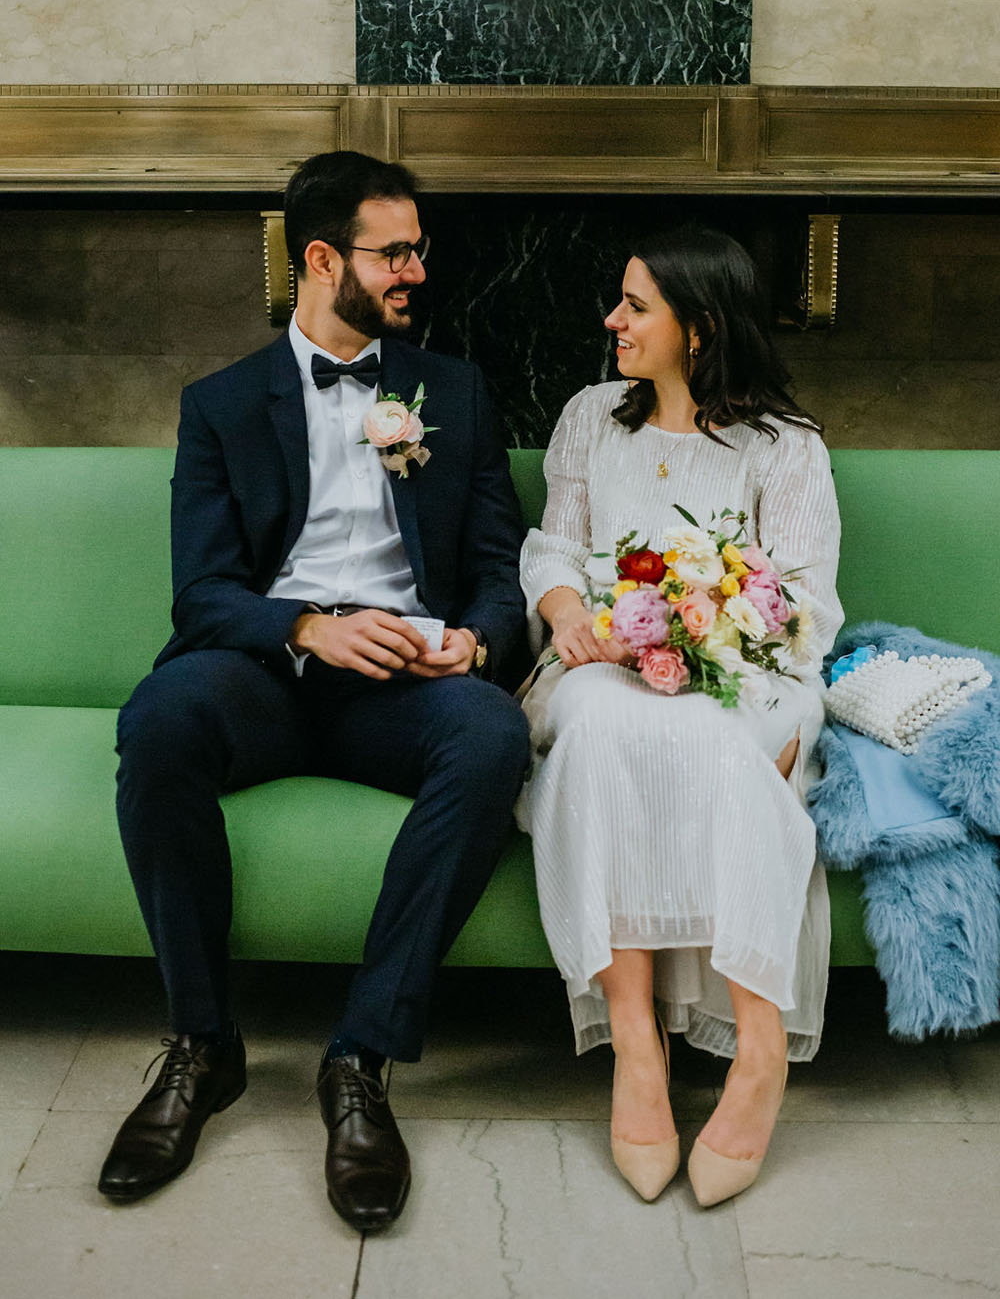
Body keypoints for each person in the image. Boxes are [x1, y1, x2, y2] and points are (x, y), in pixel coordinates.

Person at [99, 151, 530, 1232]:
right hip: (266, 675)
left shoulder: (454, 393)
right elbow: (201, 594)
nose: (416, 272)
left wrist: (474, 646)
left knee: (487, 740)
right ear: (323, 258)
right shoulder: (221, 405)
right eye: (396, 253)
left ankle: (361, 1059)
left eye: (419, 250)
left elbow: (498, 567)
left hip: (406, 686)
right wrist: (307, 628)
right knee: (157, 721)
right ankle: (203, 1044)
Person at [517, 226, 842, 1207]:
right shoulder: (587, 418)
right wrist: (573, 614)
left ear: (697, 329)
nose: (612, 320)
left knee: (707, 742)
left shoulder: (787, 448)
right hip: (599, 666)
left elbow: (803, 605)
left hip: (743, 670)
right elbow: (554, 548)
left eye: (634, 307)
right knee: (602, 730)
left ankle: (756, 1054)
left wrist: (698, 629)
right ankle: (636, 1052)